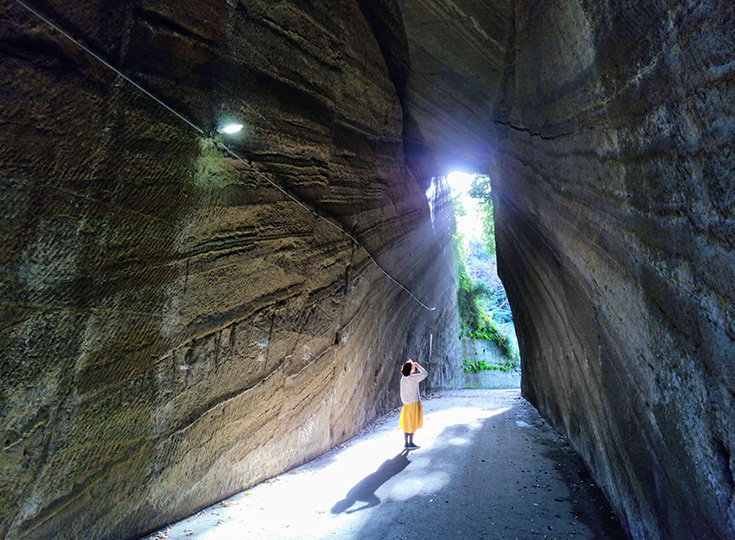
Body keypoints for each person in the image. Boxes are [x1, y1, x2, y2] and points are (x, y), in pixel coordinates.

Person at [399, 359, 428, 450]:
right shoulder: (413, 378)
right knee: (413, 423)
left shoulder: (403, 378)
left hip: (406, 404)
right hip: (414, 403)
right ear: (411, 369)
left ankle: (406, 443)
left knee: (407, 423)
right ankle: (410, 442)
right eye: (412, 367)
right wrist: (418, 366)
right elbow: (425, 373)